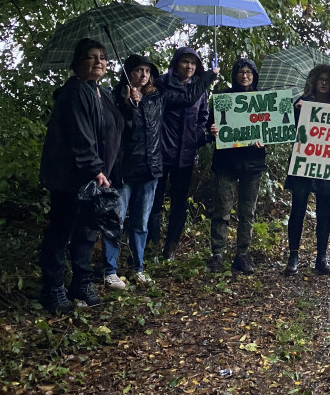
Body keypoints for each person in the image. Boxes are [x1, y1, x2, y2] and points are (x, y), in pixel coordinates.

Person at [106, 54, 217, 289]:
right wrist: (127, 106)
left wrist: (207, 77)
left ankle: (138, 266)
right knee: (115, 219)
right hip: (124, 169)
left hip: (150, 168)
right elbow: (113, 130)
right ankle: (110, 269)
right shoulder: (115, 97)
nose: (143, 75)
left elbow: (187, 99)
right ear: (128, 73)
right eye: (138, 70)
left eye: (147, 71)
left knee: (140, 222)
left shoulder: (159, 96)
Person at [39, 39, 124, 314]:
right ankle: (53, 288)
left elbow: (119, 128)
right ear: (77, 64)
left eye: (102, 57)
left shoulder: (104, 93)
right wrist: (94, 169)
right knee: (62, 230)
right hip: (71, 177)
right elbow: (81, 135)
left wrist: (132, 105)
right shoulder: (74, 92)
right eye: (91, 57)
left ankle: (81, 282)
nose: (98, 62)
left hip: (95, 178)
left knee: (87, 232)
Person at [283, 65, 330, 276]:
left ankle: (321, 257)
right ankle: (293, 255)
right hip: (303, 164)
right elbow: (287, 129)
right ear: (314, 82)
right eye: (320, 79)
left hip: (326, 165)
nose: (324, 83)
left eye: (327, 80)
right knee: (298, 209)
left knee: (324, 212)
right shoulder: (303, 103)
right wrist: (296, 109)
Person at [207, 58, 268, 274]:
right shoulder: (224, 98)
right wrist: (213, 130)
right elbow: (209, 126)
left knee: (247, 212)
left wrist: (265, 139)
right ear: (235, 75)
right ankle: (217, 254)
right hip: (226, 163)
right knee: (222, 210)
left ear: (254, 75)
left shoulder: (263, 99)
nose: (245, 75)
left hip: (253, 164)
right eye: (241, 72)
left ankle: (242, 254)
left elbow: (273, 127)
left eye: (248, 72)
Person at [149, 46, 210, 260]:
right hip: (161, 153)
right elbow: (180, 101)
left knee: (179, 202)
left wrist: (200, 136)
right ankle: (152, 245)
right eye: (185, 62)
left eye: (193, 63)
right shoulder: (161, 84)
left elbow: (204, 115)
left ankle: (170, 248)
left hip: (186, 155)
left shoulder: (200, 89)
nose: (189, 66)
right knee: (154, 202)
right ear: (176, 63)